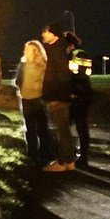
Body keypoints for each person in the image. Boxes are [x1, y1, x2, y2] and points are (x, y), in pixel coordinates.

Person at [40, 22, 76, 172]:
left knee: (60, 130)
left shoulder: (57, 50)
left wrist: (56, 94)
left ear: (52, 33)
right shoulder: (60, 48)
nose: (43, 35)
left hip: (58, 96)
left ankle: (62, 162)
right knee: (63, 130)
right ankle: (69, 160)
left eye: (45, 32)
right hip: (60, 95)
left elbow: (61, 75)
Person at [14, 39, 54, 166]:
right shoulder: (23, 64)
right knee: (29, 127)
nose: (25, 51)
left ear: (35, 52)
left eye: (28, 49)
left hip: (39, 99)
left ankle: (45, 153)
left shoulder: (42, 65)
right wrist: (20, 88)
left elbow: (48, 82)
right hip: (26, 98)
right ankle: (32, 153)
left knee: (42, 128)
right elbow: (18, 79)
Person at [66, 33, 93, 167]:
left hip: (79, 96)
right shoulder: (75, 54)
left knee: (80, 126)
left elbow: (81, 75)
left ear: (69, 44)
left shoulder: (79, 54)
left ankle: (83, 156)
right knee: (75, 126)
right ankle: (76, 153)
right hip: (78, 95)